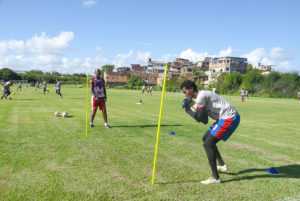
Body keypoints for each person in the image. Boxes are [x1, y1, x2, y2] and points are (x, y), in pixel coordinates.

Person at [181, 80, 240, 184]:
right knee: (205, 139)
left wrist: (188, 110)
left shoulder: (201, 97)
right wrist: (191, 108)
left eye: (185, 92)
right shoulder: (200, 98)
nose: (184, 94)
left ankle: (215, 178)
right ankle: (221, 165)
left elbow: (201, 119)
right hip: (223, 118)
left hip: (229, 118)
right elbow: (204, 120)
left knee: (208, 144)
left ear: (191, 89)